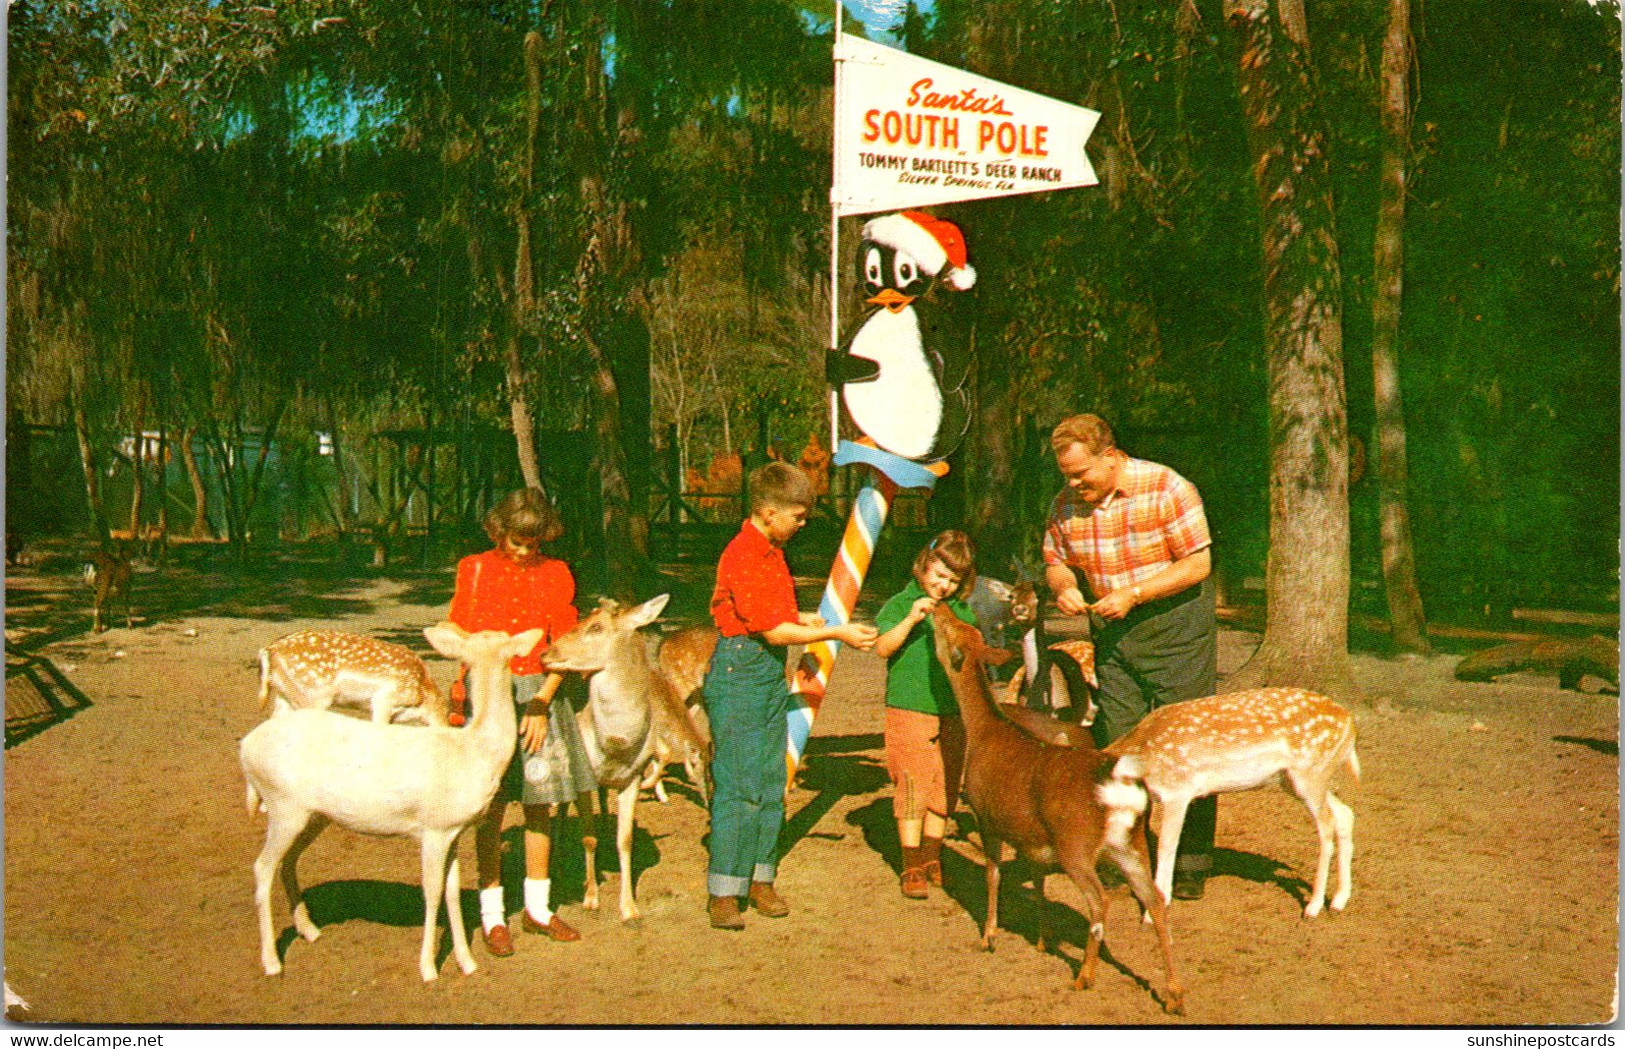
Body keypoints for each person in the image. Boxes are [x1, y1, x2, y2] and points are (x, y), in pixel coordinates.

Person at [1041, 413, 1219, 901]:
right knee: (1120, 745)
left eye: (1082, 474)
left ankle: (1190, 861)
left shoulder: (1167, 487)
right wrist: (1065, 589)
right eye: (1067, 477)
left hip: (1175, 629)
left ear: (1111, 456)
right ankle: (1127, 850)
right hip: (1114, 634)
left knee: (1187, 746)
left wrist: (1135, 594)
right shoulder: (1066, 505)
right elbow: (1055, 562)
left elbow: (1199, 563)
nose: (1075, 485)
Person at [704, 461, 878, 930]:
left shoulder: (772, 552)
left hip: (763, 672)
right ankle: (725, 888)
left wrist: (807, 618)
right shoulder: (743, 553)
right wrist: (837, 631)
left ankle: (761, 876)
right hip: (740, 668)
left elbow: (773, 614)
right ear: (767, 510)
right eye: (797, 516)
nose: (802, 524)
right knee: (739, 784)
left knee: (769, 779)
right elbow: (770, 631)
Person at [449, 488, 598, 955]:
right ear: (498, 532)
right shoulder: (473, 569)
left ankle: (538, 909)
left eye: (532, 543)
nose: (523, 551)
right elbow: (457, 628)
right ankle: (492, 915)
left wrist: (542, 702)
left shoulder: (556, 574)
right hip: (488, 693)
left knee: (540, 803)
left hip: (538, 693)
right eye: (515, 541)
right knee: (490, 807)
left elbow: (564, 646)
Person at [873, 530, 978, 900]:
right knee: (914, 782)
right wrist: (911, 621)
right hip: (910, 706)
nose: (944, 585)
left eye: (953, 580)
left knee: (946, 783)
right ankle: (911, 862)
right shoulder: (902, 604)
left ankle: (934, 855)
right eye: (939, 574)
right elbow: (882, 648)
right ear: (924, 564)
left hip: (953, 710)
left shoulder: (962, 612)